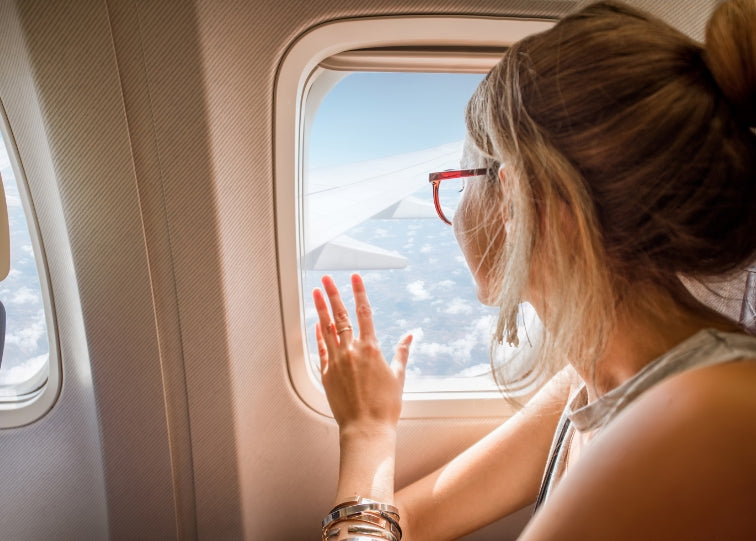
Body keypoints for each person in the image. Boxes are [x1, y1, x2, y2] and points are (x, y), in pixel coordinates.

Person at [312, 0, 756, 539]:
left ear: (517, 197)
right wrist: (373, 427)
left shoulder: (709, 415)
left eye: (463, 177)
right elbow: (417, 520)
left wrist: (364, 436)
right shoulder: (597, 380)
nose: (454, 210)